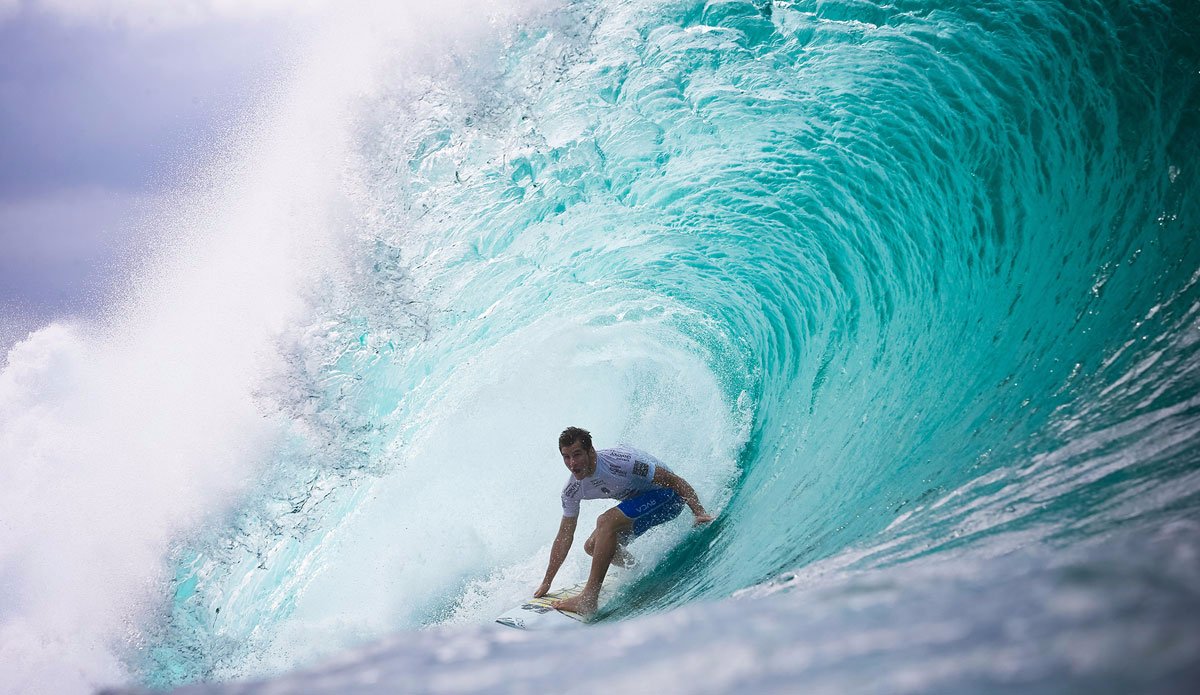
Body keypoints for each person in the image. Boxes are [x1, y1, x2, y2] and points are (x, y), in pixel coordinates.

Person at [535, 426, 714, 616]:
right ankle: (637, 571)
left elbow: (675, 481)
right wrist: (547, 581)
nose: (572, 463)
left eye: (577, 454)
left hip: (669, 498)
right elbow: (564, 536)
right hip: (643, 507)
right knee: (592, 547)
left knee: (605, 521)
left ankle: (588, 599)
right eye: (566, 457)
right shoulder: (572, 489)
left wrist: (699, 513)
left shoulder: (622, 463)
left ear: (591, 451)